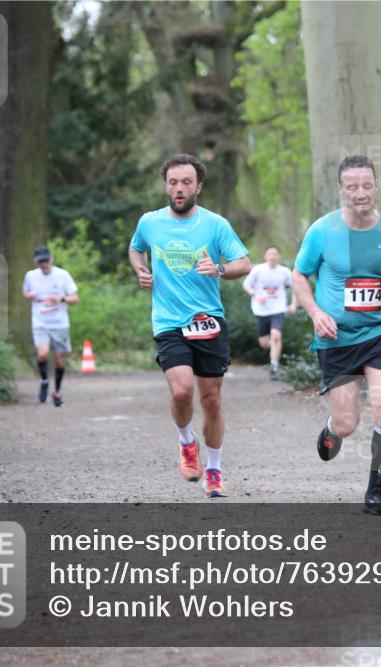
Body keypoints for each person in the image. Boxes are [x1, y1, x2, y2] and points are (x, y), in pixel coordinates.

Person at [293, 155, 381, 515]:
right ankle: (332, 429)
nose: (360, 193)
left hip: (380, 332)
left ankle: (375, 491)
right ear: (340, 190)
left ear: (376, 186)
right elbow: (298, 276)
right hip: (337, 338)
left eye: (366, 185)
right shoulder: (323, 230)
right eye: (352, 187)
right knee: (347, 424)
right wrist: (316, 313)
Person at [129, 153, 251, 498]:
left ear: (198, 186)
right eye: (172, 182)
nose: (178, 188)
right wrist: (141, 269)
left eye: (185, 182)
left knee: (211, 399)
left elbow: (245, 263)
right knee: (181, 390)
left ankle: (214, 471)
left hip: (209, 321)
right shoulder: (150, 222)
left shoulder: (215, 225)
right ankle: (186, 442)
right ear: (165, 186)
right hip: (168, 320)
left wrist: (220, 270)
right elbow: (136, 249)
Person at [22, 245, 79, 407]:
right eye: (41, 261)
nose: (44, 264)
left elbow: (75, 298)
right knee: (42, 354)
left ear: (51, 259)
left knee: (59, 359)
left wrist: (60, 299)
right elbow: (25, 293)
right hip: (40, 322)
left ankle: (57, 391)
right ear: (36, 262)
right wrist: (30, 296)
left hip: (60, 324)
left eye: (46, 260)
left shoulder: (62, 275)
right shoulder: (31, 276)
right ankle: (44, 380)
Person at [243, 245, 297, 379]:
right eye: (269, 254)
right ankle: (274, 349)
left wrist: (294, 304)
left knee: (276, 335)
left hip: (278, 308)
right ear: (265, 256)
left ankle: (274, 366)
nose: (272, 256)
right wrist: (255, 294)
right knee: (264, 343)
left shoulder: (284, 272)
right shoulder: (258, 270)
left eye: (275, 254)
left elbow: (296, 287)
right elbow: (246, 285)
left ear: (278, 256)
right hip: (261, 310)